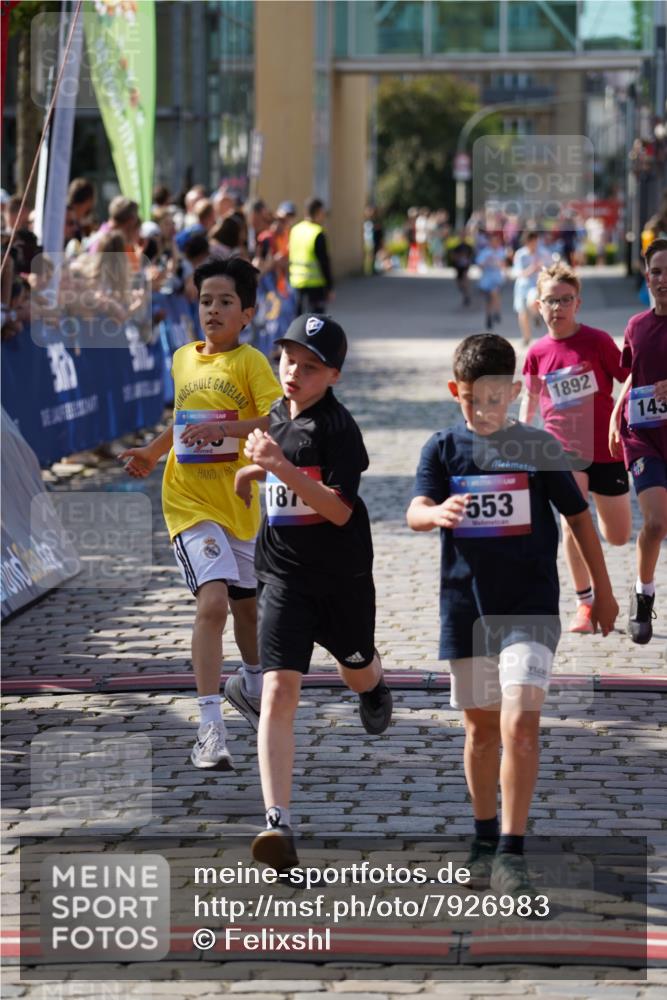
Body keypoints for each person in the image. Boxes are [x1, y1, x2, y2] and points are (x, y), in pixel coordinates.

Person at [407, 333, 618, 896]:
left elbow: (579, 520)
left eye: (499, 397)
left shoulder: (539, 446)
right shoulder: (441, 448)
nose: (488, 408)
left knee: (520, 726)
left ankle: (510, 849)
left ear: (516, 390)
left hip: (529, 610)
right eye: (476, 398)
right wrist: (435, 514)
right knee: (480, 733)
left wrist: (602, 589)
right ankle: (481, 835)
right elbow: (414, 510)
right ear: (458, 392)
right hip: (466, 610)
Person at [235, 314, 392, 872]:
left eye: (309, 366)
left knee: (356, 668)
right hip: (283, 577)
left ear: (334, 376)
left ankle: (374, 683)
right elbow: (275, 460)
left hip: (341, 577)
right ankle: (278, 824)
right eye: (287, 360)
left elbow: (337, 508)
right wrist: (253, 475)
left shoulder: (340, 429)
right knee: (278, 692)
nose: (293, 373)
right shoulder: (278, 416)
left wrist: (276, 467)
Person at [119, 257, 282, 768]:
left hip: (237, 505)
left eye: (225, 302)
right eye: (206, 300)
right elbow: (182, 422)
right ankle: (210, 726)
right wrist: (152, 451)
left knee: (247, 608)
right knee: (212, 604)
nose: (212, 310)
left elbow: (277, 419)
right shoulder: (182, 359)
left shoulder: (251, 363)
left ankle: (251, 685)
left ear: (247, 314)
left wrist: (227, 431)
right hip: (187, 502)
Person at [520, 264, 632, 634]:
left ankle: (603, 560)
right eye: (551, 300)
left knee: (616, 535)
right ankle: (585, 602)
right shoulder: (537, 352)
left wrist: (627, 415)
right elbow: (531, 398)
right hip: (563, 448)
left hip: (607, 447)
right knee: (572, 523)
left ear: (578, 303)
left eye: (565, 300)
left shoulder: (598, 341)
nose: (558, 307)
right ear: (539, 305)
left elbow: (627, 377)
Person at [609, 238, 667, 644]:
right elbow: (634, 374)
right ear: (647, 276)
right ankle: (643, 593)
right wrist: (616, 411)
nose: (664, 280)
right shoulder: (636, 325)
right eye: (658, 272)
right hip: (643, 435)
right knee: (657, 521)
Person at [288, 198, 334, 315]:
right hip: (315, 285)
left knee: (298, 321)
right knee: (315, 323)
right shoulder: (317, 232)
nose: (324, 217)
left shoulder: (295, 230)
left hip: (296, 283)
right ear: (318, 212)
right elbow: (324, 262)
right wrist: (329, 287)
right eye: (323, 213)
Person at [511, 231, 551, 345]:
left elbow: (551, 267)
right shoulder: (520, 254)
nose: (533, 244)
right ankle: (526, 337)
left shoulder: (543, 253)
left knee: (533, 301)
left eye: (535, 241)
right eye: (531, 242)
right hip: (522, 286)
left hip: (536, 285)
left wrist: (543, 269)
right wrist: (531, 269)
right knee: (522, 313)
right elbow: (517, 272)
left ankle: (536, 315)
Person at [476, 231, 506, 330]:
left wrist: (500, 264)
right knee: (489, 300)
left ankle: (497, 312)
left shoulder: (501, 251)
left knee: (495, 293)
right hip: (486, 279)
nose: (495, 243)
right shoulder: (485, 252)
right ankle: (489, 315)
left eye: (496, 241)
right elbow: (479, 265)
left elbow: (503, 265)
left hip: (496, 278)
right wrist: (486, 262)